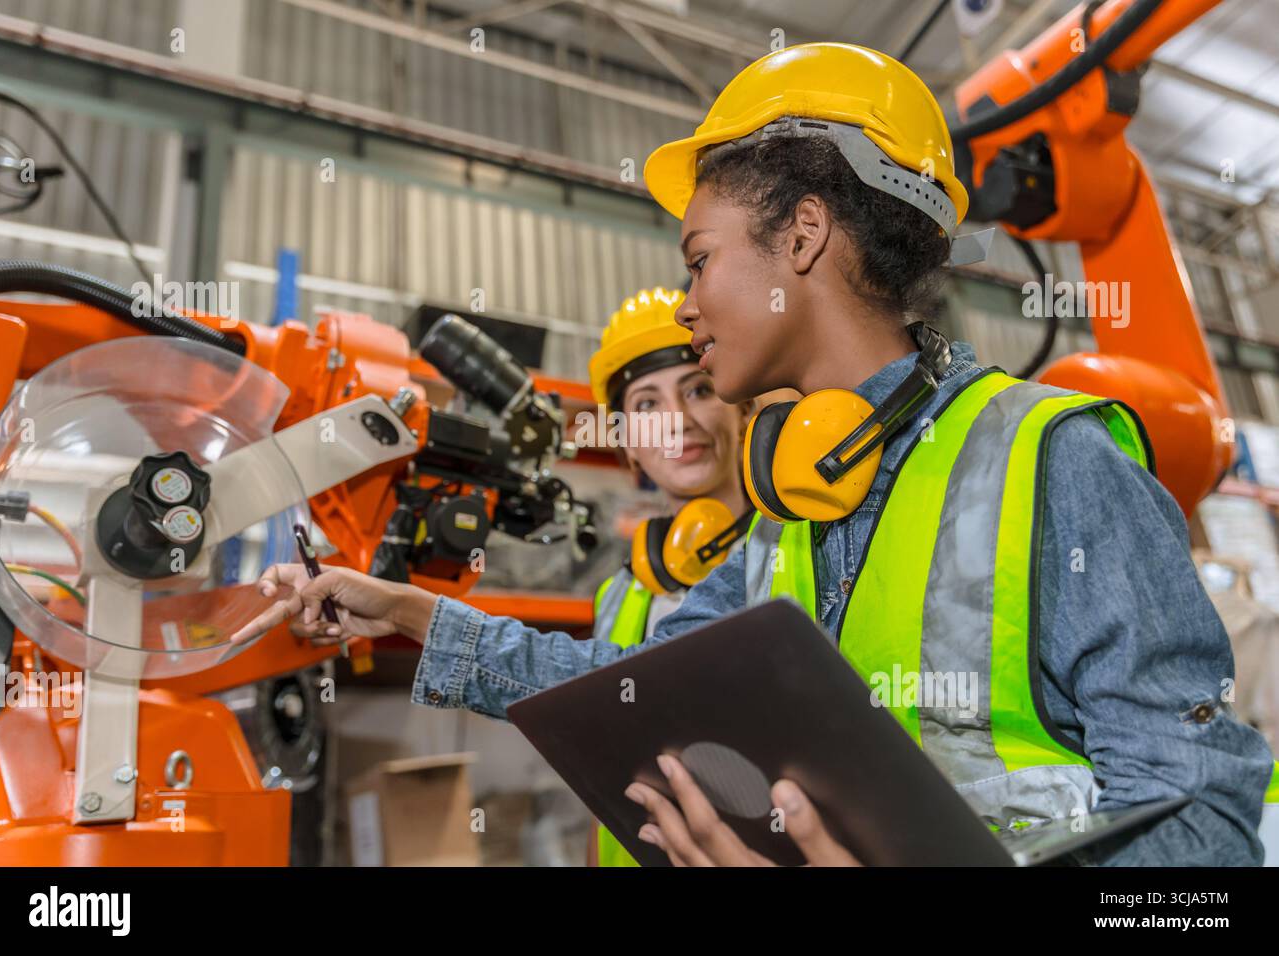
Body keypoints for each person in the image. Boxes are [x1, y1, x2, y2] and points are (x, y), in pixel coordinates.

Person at [232, 42, 1278, 867]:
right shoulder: (786, 510)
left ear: (803, 236)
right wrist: (413, 612)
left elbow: (1203, 843)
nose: (685, 305)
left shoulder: (1056, 462)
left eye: (699, 258)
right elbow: (631, 686)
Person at [584, 286, 755, 866]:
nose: (678, 421)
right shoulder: (615, 597)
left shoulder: (804, 558)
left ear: (741, 406)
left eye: (700, 389)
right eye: (647, 405)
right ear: (629, 445)